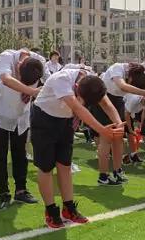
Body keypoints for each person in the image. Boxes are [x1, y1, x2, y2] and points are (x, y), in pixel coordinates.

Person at [32, 67, 124, 228]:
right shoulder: (62, 79)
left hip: (65, 120)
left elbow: (107, 104)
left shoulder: (92, 82)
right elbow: (78, 108)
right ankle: (51, 211)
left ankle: (69, 208)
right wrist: (102, 130)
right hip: (44, 119)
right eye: (80, 98)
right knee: (46, 167)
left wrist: (119, 124)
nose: (82, 102)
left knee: (65, 164)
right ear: (76, 87)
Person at [0, 49, 46, 209]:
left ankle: (21, 190)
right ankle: (3, 193)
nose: (23, 82)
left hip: (21, 115)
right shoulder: (7, 56)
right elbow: (6, 79)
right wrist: (32, 91)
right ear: (18, 65)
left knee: (20, 154)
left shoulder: (39, 61)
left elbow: (49, 80)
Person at [95, 62, 145, 185]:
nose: (133, 87)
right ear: (130, 77)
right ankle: (103, 176)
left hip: (118, 101)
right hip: (103, 100)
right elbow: (123, 86)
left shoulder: (138, 74)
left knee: (119, 138)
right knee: (106, 138)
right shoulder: (118, 68)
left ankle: (118, 171)